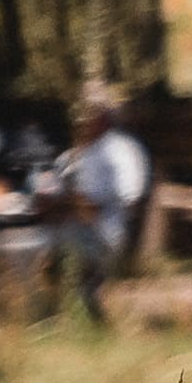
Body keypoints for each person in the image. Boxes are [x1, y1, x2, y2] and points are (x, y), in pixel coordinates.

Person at [46, 87, 157, 293]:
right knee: (38, 238)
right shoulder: (83, 151)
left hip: (105, 229)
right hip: (79, 224)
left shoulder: (120, 149)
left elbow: (129, 195)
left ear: (102, 117)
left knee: (44, 245)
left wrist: (88, 204)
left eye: (88, 114)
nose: (83, 121)